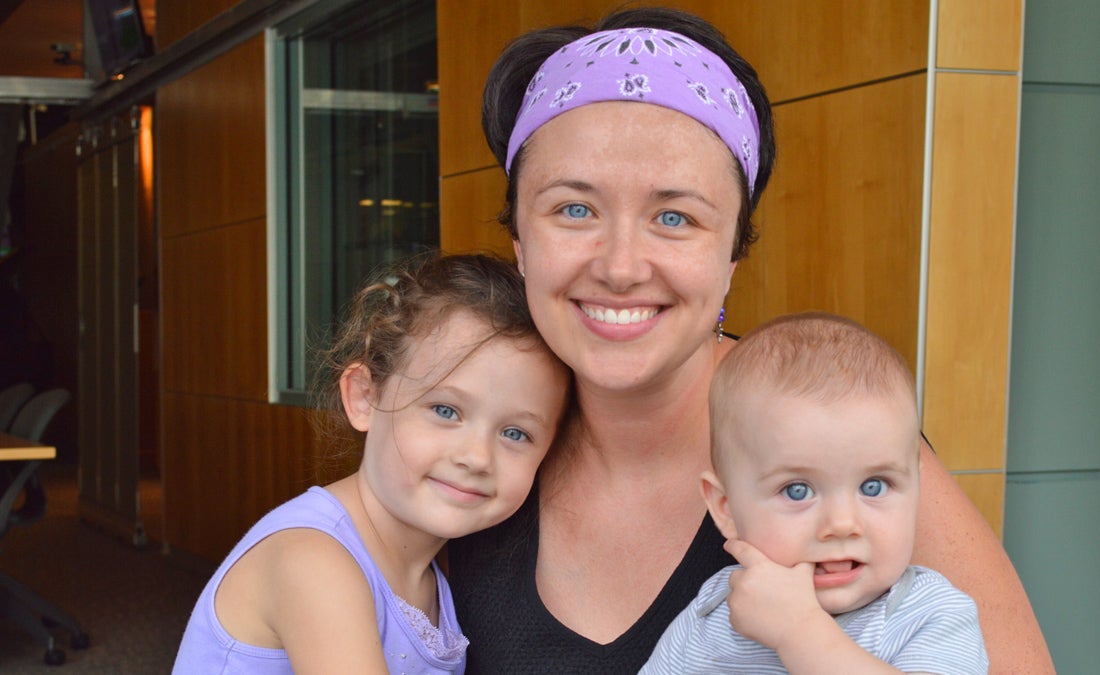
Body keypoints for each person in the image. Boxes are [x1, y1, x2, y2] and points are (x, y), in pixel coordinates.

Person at [449, 6, 1054, 673]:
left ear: (733, 253)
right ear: (520, 244)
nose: (620, 266)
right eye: (574, 209)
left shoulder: (847, 446)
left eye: (674, 216)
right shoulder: (466, 442)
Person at [173, 253, 571, 673]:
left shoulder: (440, 574)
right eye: (445, 410)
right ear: (365, 398)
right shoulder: (313, 561)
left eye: (515, 434)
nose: (476, 457)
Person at [641, 312, 987, 673]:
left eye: (874, 486)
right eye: (797, 491)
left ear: (917, 488)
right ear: (725, 508)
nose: (841, 524)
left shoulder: (931, 616)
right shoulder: (713, 616)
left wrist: (800, 631)